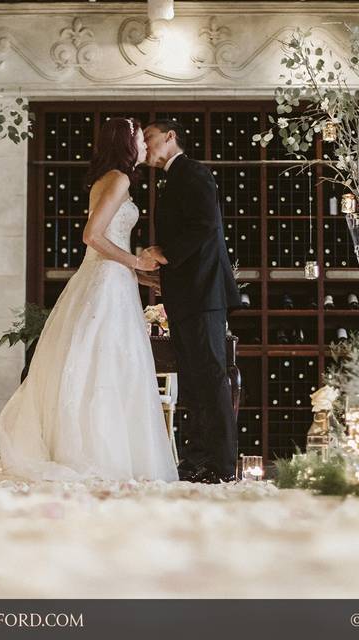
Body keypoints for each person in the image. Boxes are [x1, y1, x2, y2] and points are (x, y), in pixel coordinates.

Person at [0, 118, 178, 482]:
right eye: (139, 139)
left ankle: (100, 452)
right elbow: (93, 236)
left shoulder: (110, 180)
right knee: (107, 366)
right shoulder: (118, 179)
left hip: (111, 279)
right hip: (106, 283)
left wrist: (142, 275)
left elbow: (105, 239)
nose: (145, 146)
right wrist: (136, 261)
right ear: (127, 144)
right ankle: (101, 458)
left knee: (101, 366)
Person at [141, 119, 241, 483]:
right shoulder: (173, 176)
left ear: (170, 137)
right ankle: (197, 460)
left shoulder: (194, 172)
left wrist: (165, 254)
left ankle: (222, 465)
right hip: (185, 295)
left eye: (149, 138)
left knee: (212, 378)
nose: (145, 145)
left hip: (203, 293)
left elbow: (205, 225)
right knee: (195, 380)